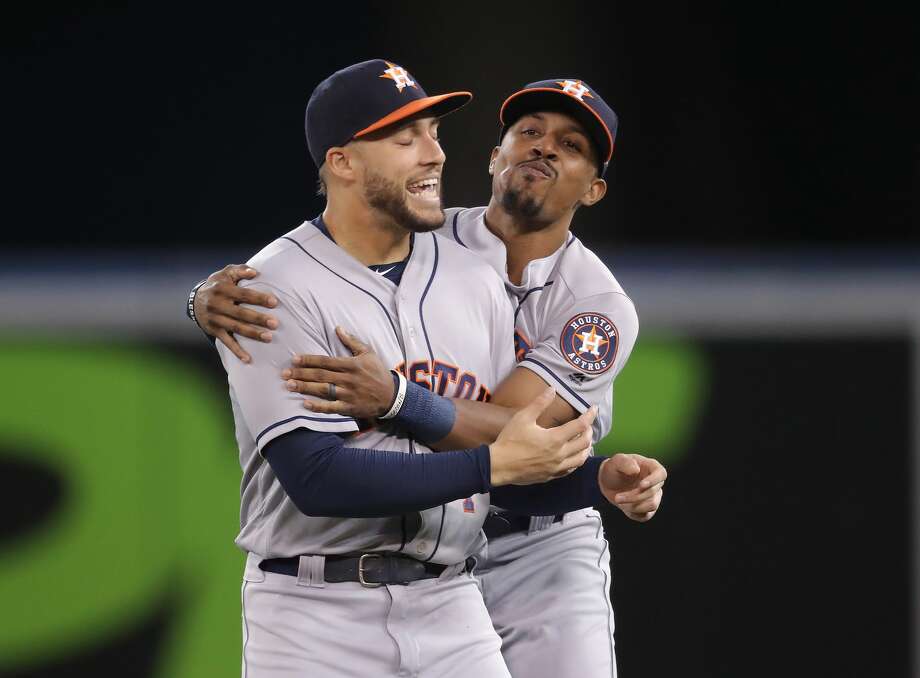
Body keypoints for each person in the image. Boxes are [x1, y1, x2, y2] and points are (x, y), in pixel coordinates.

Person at [201, 59, 661, 678]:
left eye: (572, 146)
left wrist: (397, 400)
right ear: (494, 156)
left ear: (594, 188)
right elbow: (332, 243)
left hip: (532, 542)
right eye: (530, 132)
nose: (545, 150)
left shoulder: (593, 305)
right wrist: (204, 299)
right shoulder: (436, 242)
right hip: (336, 587)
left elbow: (516, 437)